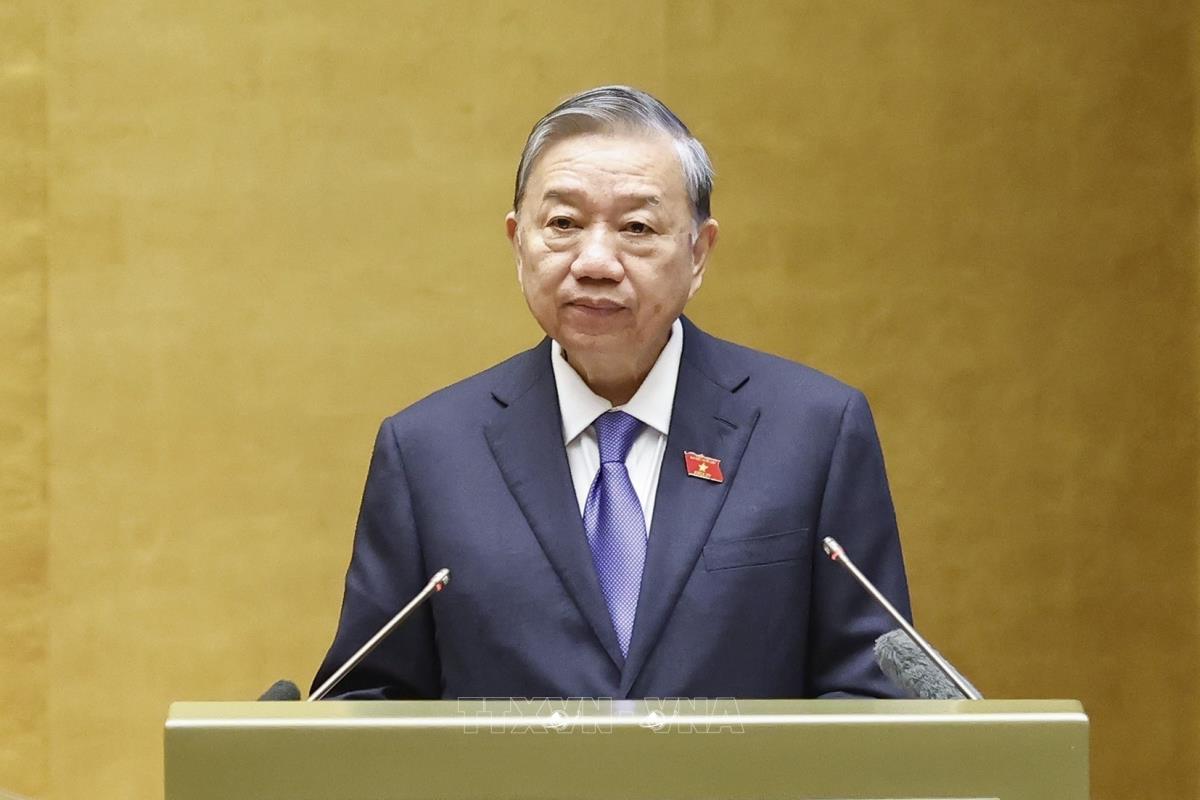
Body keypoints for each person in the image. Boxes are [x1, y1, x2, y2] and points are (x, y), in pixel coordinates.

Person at [311, 85, 911, 700]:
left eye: (636, 227)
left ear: (698, 253)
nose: (595, 262)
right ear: (518, 243)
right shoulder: (427, 452)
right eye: (563, 224)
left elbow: (873, 691)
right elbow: (368, 704)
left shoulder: (814, 431)